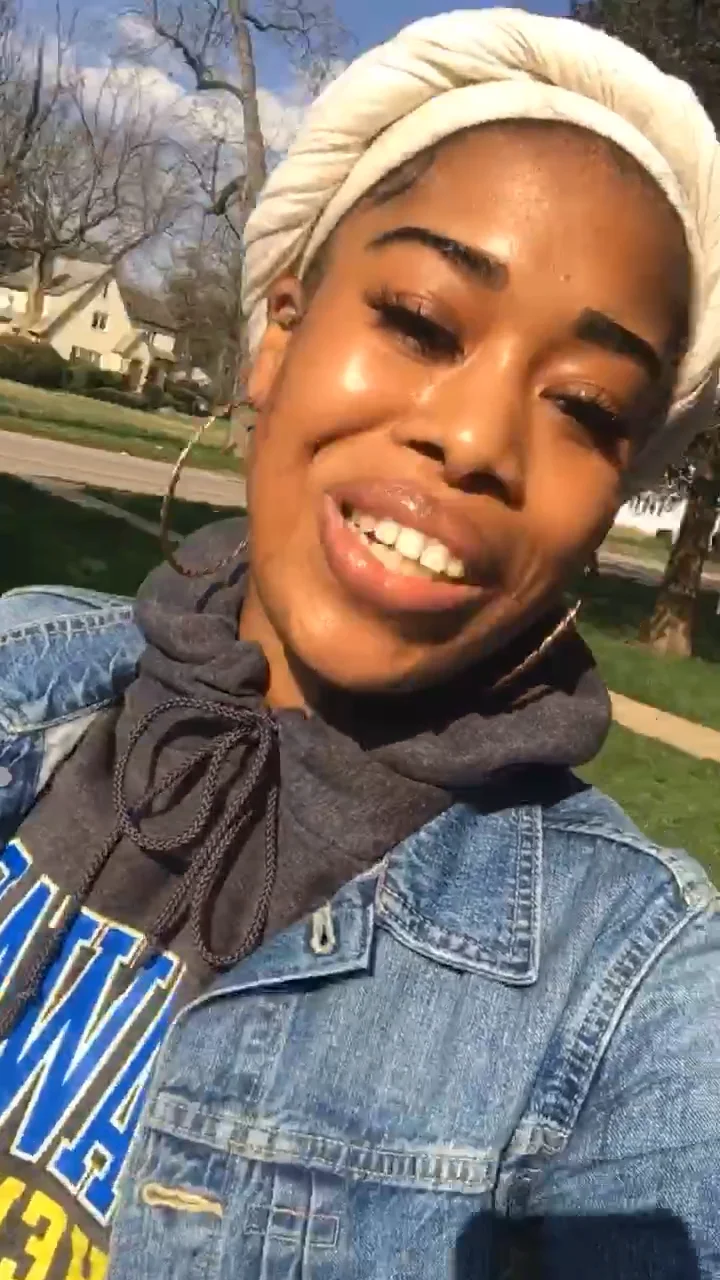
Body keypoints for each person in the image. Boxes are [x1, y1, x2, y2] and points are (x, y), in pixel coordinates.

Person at [0, 8, 718, 1278]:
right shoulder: (23, 656)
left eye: (584, 407)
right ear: (280, 331)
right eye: (423, 322)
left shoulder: (635, 991)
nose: (478, 440)